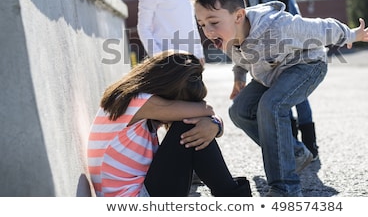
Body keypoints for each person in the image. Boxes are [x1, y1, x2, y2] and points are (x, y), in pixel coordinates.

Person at [193, 0, 368, 196]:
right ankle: (295, 153)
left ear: (238, 16)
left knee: (271, 106)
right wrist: (238, 80)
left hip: (307, 65)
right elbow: (242, 59)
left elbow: (319, 28)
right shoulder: (226, 37)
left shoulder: (277, 26)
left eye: (213, 22)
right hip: (271, 73)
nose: (207, 31)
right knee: (239, 111)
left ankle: (286, 187)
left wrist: (350, 34)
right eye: (202, 24)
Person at [87, 50, 251, 197]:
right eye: (182, 103)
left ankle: (232, 197)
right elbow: (205, 109)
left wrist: (215, 125)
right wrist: (213, 123)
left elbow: (207, 114)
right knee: (188, 125)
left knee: (193, 125)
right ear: (167, 89)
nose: (181, 111)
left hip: (137, 194)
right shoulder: (137, 101)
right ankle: (234, 200)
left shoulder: (131, 100)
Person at [243, 0, 318, 160]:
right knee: (277, 90)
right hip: (264, 44)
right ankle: (293, 146)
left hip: (289, 37)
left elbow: (284, 1)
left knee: (298, 92)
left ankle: (310, 144)